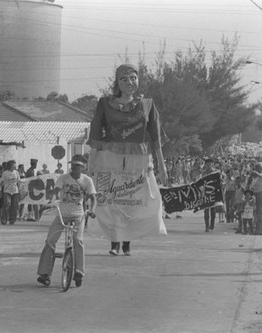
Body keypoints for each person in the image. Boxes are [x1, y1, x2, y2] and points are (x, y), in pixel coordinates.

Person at [87, 64, 168, 256]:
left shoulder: (147, 104)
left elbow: (155, 138)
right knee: (111, 200)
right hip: (110, 159)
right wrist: (92, 162)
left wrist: (161, 165)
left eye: (133, 78)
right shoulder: (105, 103)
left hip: (138, 159)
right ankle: (114, 242)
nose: (129, 82)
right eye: (124, 79)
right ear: (117, 82)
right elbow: (96, 134)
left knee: (133, 200)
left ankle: (127, 241)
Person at [37, 154, 96, 287]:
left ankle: (79, 272)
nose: (74, 168)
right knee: (50, 240)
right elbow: (55, 191)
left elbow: (93, 198)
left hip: (78, 216)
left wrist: (92, 210)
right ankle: (45, 274)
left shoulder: (87, 181)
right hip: (62, 215)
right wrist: (51, 202)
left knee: (78, 241)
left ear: (82, 167)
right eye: (73, 165)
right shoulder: (63, 178)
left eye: (78, 166)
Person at [0, 160, 21, 225]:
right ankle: (4, 219)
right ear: (11, 165)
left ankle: (12, 219)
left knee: (14, 205)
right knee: (7, 204)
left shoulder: (16, 172)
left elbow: (18, 181)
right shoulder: (5, 173)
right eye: (14, 164)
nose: (15, 166)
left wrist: (19, 189)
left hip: (15, 191)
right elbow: (2, 182)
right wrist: (0, 190)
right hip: (7, 191)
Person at [202, 158, 217, 232]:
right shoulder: (204, 173)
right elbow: (201, 183)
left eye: (210, 164)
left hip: (213, 193)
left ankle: (212, 225)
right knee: (206, 211)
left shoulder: (215, 172)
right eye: (207, 164)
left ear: (212, 164)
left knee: (213, 211)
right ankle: (207, 226)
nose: (208, 165)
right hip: (206, 193)